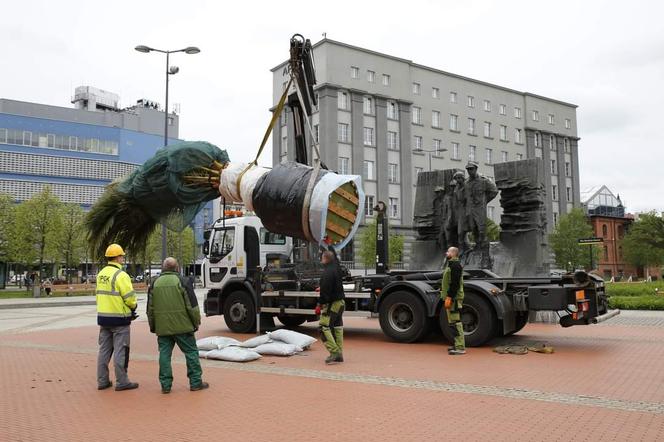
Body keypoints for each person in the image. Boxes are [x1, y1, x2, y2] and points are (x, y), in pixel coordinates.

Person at [146, 257, 208, 394]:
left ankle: (165, 385)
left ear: (163, 268)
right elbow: (192, 306)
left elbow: (150, 309)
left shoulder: (154, 283)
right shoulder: (183, 281)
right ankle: (196, 382)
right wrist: (196, 322)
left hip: (162, 328)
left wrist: (153, 326)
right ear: (177, 268)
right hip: (183, 327)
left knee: (164, 355)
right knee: (191, 353)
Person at [96, 243, 139, 391]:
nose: (123, 259)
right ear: (118, 257)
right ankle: (122, 381)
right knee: (121, 351)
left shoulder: (101, 274)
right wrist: (133, 307)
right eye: (122, 256)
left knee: (104, 351)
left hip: (103, 318)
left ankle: (102, 381)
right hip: (119, 319)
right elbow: (129, 298)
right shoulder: (121, 275)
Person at [316, 250, 345, 364]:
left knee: (323, 327)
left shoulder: (327, 273)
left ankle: (334, 353)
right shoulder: (336, 268)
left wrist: (319, 304)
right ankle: (339, 353)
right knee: (337, 327)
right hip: (341, 302)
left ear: (325, 259)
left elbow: (325, 294)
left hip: (332, 304)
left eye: (322, 257)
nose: (321, 259)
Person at [463, 162, 498, 251]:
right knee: (473, 228)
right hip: (470, 209)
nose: (469, 171)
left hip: (480, 208)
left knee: (481, 228)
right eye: (468, 169)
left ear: (476, 169)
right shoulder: (466, 182)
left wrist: (485, 200)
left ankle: (483, 246)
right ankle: (477, 245)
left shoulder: (483, 180)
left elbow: (494, 191)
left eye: (471, 169)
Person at [442, 246, 465, 355]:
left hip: (454, 299)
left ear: (453, 253)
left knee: (455, 322)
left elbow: (454, 284)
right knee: (452, 322)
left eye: (448, 251)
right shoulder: (452, 264)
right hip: (452, 298)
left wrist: (449, 297)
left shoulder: (455, 265)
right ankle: (457, 344)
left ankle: (460, 347)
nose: (446, 253)